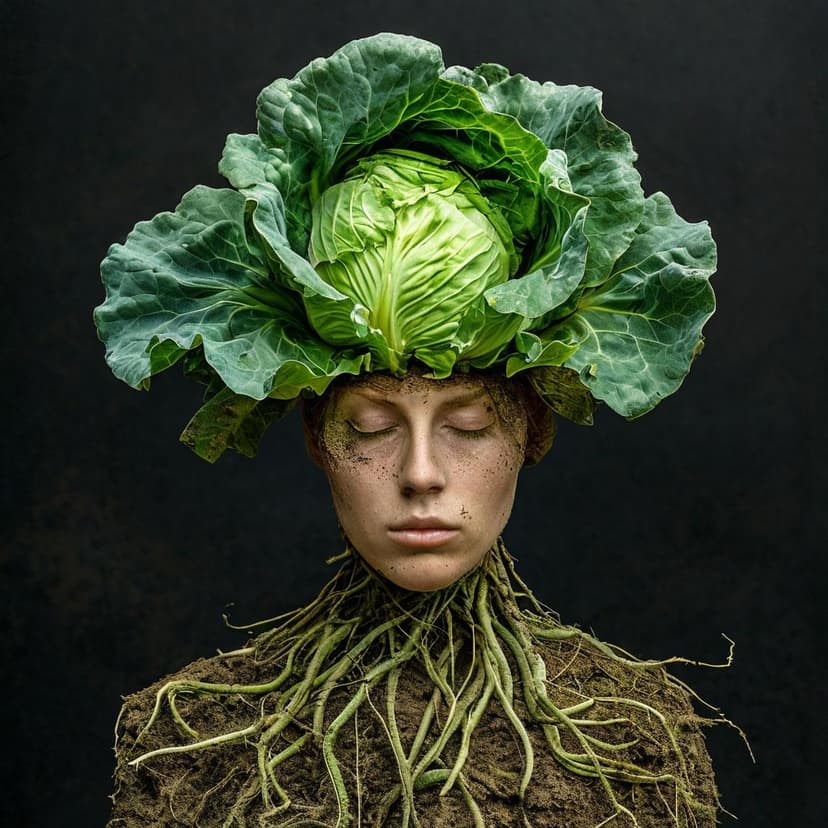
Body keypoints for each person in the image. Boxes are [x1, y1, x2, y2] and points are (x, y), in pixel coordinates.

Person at [96, 34, 726, 827]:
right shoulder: (186, 740)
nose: (421, 475)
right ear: (313, 437)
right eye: (367, 425)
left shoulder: (640, 737)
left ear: (533, 429)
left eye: (467, 424)